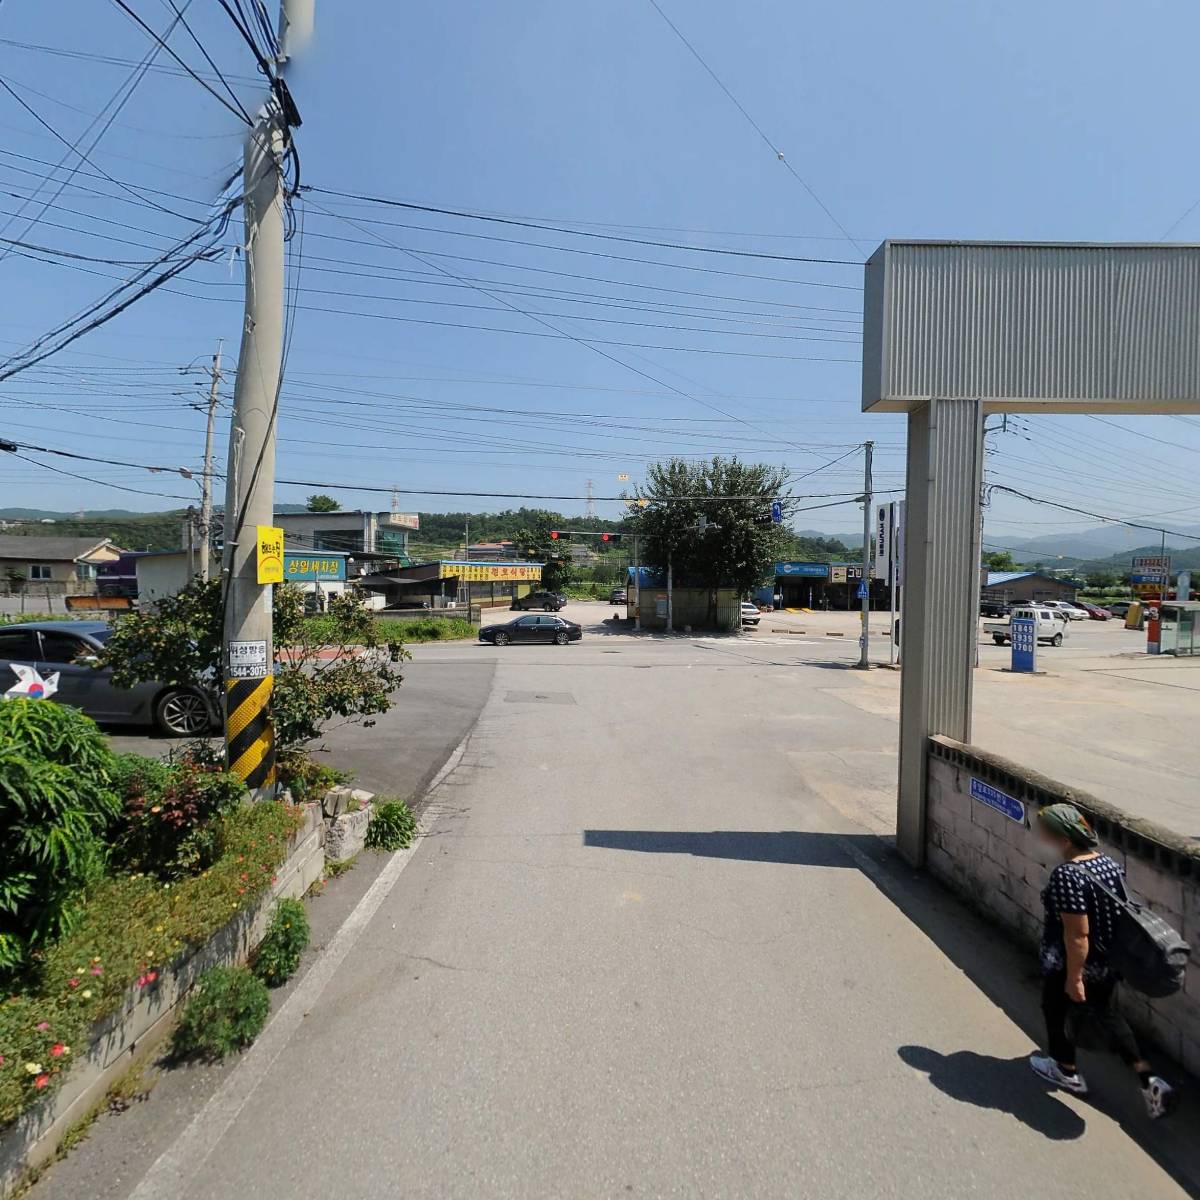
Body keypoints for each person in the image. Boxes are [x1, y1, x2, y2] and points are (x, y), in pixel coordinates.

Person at [1030, 803, 1177, 1119]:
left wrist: (1074, 976)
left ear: (1064, 839)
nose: (1039, 838)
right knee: (1108, 1016)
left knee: (1055, 1010)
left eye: (1044, 834)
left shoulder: (1067, 875)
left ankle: (1066, 1070)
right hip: (1108, 961)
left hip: (1073, 964)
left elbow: (1077, 934)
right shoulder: (1108, 864)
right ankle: (1149, 1079)